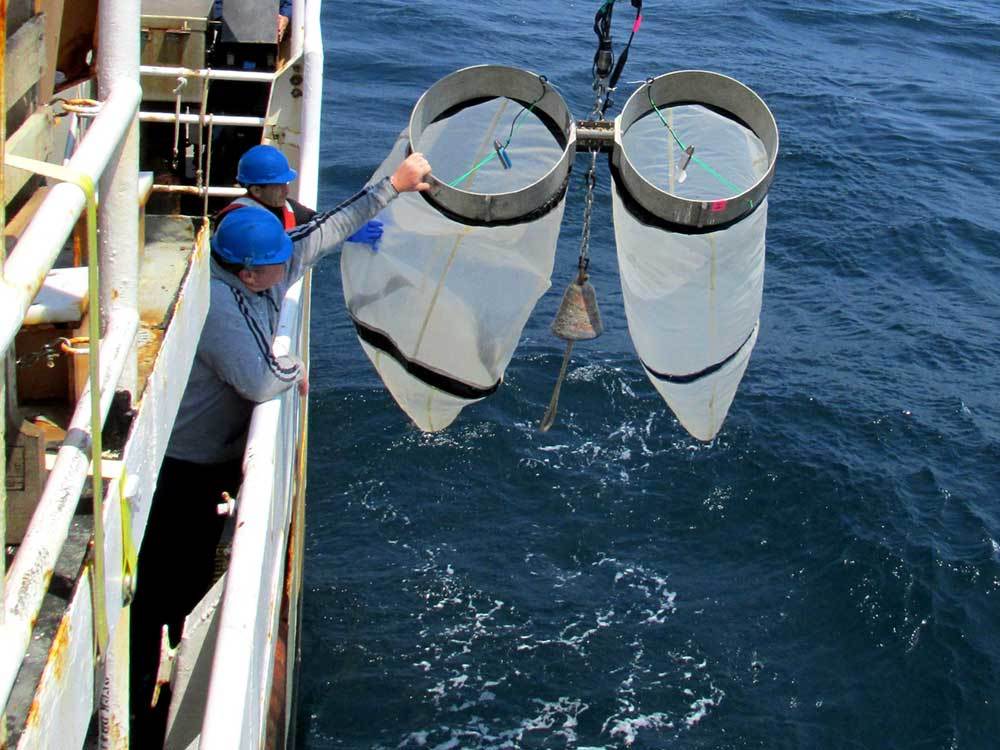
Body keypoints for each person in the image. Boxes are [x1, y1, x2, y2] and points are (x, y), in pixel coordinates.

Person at [129, 150, 432, 745]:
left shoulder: (258, 267)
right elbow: (261, 378)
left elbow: (321, 236)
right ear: (248, 273)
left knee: (181, 568)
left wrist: (392, 188)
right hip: (184, 467)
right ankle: (142, 686)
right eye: (276, 265)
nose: (288, 267)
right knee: (169, 576)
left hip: (210, 457)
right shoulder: (219, 308)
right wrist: (293, 366)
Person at [216, 143, 384, 248]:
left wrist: (350, 230)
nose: (286, 191)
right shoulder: (234, 221)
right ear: (256, 190)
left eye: (285, 184)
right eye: (278, 186)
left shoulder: (288, 209)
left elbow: (319, 222)